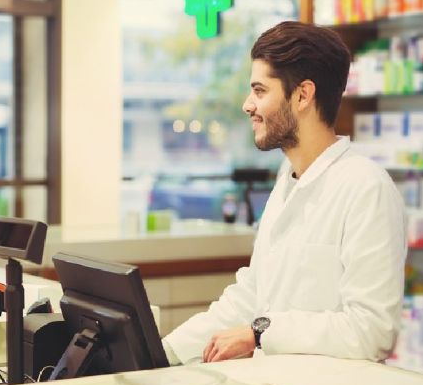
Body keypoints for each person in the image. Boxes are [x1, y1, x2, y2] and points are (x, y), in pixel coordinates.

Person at [163, 21, 407, 364]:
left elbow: (371, 332)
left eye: (260, 91)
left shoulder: (366, 187)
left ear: (303, 95)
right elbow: (250, 296)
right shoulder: (287, 181)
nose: (248, 105)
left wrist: (261, 332)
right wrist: (163, 352)